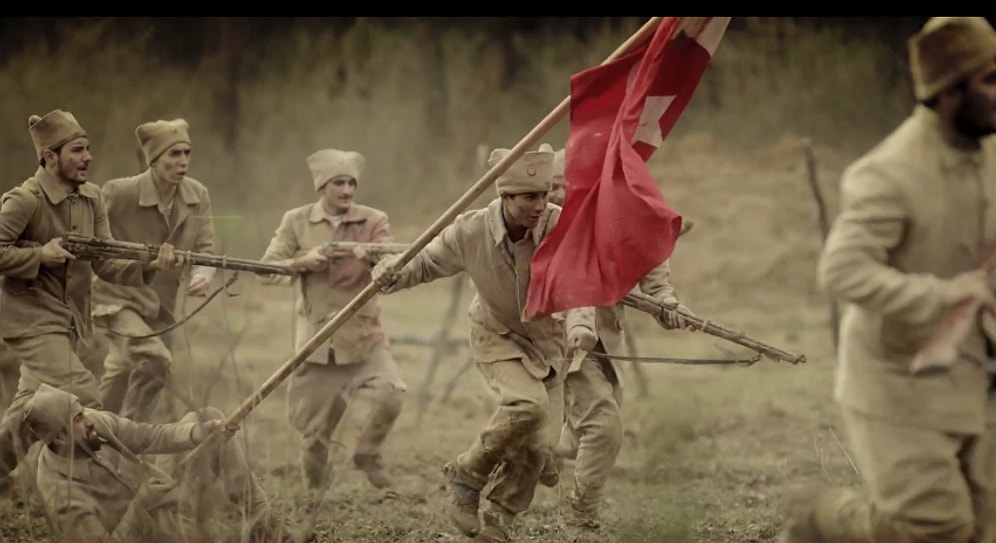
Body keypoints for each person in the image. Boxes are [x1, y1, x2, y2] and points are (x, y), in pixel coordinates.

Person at [779, 17, 996, 543]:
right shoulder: (889, 172)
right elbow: (841, 270)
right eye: (990, 79)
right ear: (949, 92)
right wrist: (943, 294)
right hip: (898, 379)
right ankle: (824, 522)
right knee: (935, 525)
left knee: (982, 528)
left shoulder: (989, 153)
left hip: (975, 372)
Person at [372, 146, 598, 542]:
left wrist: (581, 324)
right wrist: (391, 274)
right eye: (530, 197)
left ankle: (500, 518)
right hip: (497, 336)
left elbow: (579, 282)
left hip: (548, 344)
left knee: (541, 446)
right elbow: (424, 263)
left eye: (544, 195)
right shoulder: (470, 230)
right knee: (528, 406)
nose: (540, 205)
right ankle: (466, 474)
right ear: (504, 197)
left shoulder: (560, 227)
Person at [0, 109, 179, 487]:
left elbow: (106, 263)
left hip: (71, 325)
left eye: (88, 149)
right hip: (31, 325)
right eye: (77, 150)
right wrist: (38, 256)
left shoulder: (92, 198)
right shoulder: (24, 200)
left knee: (27, 414)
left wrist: (148, 264)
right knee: (84, 399)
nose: (88, 158)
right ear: (50, 157)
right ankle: (140, 482)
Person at [260, 148, 406, 491]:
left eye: (351, 183)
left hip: (364, 336)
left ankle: (367, 453)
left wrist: (372, 259)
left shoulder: (373, 220)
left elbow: (393, 264)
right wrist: (302, 261)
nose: (347, 191)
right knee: (313, 436)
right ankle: (314, 497)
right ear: (321, 186)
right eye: (338, 183)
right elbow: (267, 269)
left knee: (391, 394)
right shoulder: (296, 221)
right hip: (317, 340)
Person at [24, 383, 295, 542]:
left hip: (164, 488)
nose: (89, 419)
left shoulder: (96, 422)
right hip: (151, 531)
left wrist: (197, 433)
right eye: (78, 420)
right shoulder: (60, 493)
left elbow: (149, 436)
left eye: (82, 412)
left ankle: (262, 517)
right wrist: (140, 505)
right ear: (59, 437)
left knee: (205, 417)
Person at [91, 118, 217, 424]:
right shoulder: (119, 193)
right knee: (156, 361)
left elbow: (205, 250)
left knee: (122, 373)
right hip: (117, 300)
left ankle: (89, 438)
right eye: (174, 154)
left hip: (162, 308)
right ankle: (129, 439)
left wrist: (202, 274)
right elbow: (93, 246)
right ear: (154, 159)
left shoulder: (197, 195)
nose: (183, 161)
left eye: (187, 153)